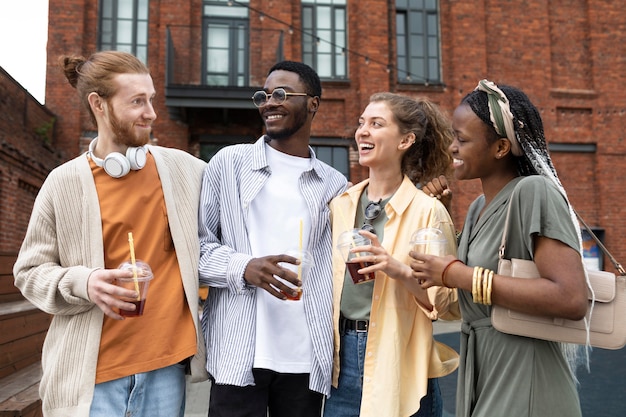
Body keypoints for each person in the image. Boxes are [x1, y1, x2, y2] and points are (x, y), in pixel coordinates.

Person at [13, 50, 208, 417]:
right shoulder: (63, 183)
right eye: (137, 101)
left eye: (151, 99)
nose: (151, 112)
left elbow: (241, 191)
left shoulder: (183, 169)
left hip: (165, 370)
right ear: (98, 104)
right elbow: (28, 273)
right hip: (91, 380)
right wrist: (85, 283)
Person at [410, 80, 589, 417]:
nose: (452, 148)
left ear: (501, 147)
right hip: (484, 368)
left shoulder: (534, 193)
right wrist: (444, 217)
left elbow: (570, 297)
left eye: (462, 139)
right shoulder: (478, 208)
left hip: (526, 373)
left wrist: (455, 274)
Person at [198, 61, 348, 417]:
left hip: (305, 355)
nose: (269, 102)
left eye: (281, 94)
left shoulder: (334, 185)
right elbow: (197, 249)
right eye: (263, 95)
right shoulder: (229, 164)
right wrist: (244, 267)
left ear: (313, 103)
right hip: (238, 352)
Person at [324, 92, 461, 417]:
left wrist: (396, 269)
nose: (363, 131)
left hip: (399, 354)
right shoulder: (340, 205)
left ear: (406, 140)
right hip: (338, 362)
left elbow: (447, 305)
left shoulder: (429, 213)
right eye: (361, 123)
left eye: (376, 124)